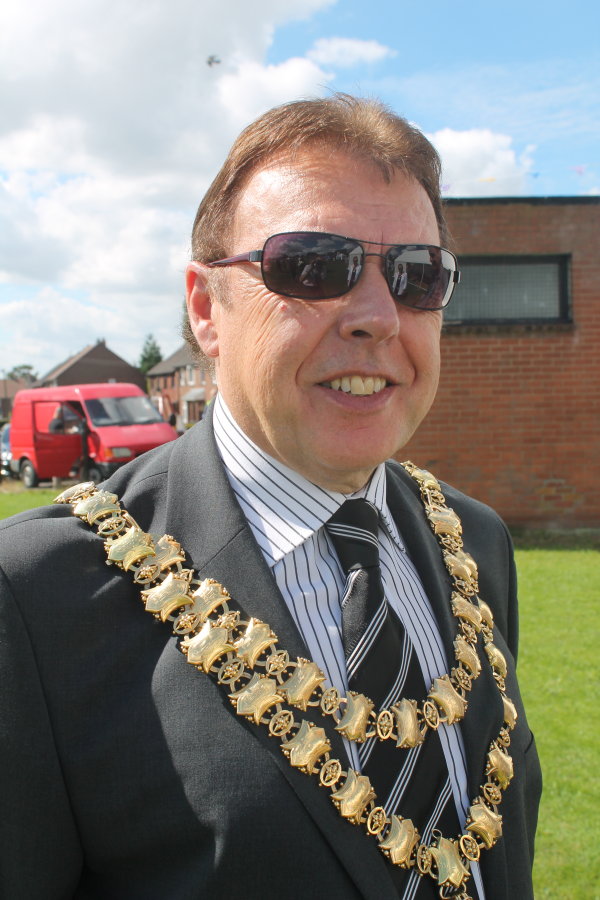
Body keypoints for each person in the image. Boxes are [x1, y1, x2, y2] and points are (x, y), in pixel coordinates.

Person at [0, 95, 541, 900]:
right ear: (205, 309)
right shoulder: (37, 595)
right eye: (312, 266)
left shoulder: (475, 540)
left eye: (417, 276)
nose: (377, 317)